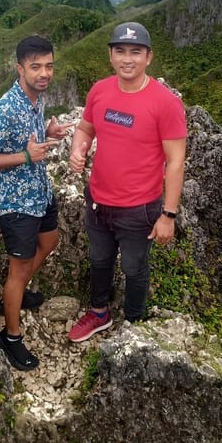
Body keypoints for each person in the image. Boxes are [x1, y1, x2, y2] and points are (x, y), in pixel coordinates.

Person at [67, 21, 187, 342]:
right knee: (99, 260)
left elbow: (176, 161)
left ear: (149, 57)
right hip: (97, 201)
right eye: (120, 51)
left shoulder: (165, 103)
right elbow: (85, 128)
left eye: (135, 52)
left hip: (138, 209)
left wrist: (169, 215)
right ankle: (99, 313)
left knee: (134, 268)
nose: (127, 59)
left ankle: (134, 324)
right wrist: (77, 149)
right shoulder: (100, 90)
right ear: (110, 55)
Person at [0, 35, 73, 370]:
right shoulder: (6, 109)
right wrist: (26, 156)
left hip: (39, 192)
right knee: (18, 270)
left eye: (49, 66)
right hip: (15, 203)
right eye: (36, 67)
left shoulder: (35, 99)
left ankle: (15, 294)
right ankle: (10, 336)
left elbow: (29, 137)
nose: (44, 73)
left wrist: (48, 131)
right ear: (20, 69)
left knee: (51, 240)